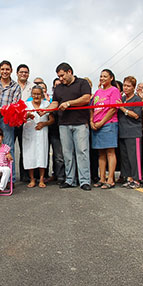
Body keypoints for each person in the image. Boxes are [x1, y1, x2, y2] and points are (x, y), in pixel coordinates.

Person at [46, 63, 92, 191]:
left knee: (82, 152)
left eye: (62, 75)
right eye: (59, 76)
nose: (60, 79)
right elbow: (55, 102)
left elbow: (86, 98)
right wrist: (45, 110)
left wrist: (69, 103)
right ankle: (70, 179)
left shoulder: (82, 83)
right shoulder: (59, 88)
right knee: (67, 153)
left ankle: (84, 181)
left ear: (69, 72)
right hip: (64, 124)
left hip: (80, 123)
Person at [90, 69, 121, 189]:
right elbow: (92, 108)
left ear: (111, 78)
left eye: (105, 76)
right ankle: (102, 178)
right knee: (101, 153)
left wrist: (102, 122)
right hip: (97, 125)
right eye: (101, 76)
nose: (102, 78)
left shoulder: (114, 90)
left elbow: (113, 108)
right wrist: (92, 121)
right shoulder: (97, 92)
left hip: (109, 124)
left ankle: (110, 179)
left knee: (110, 152)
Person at [23, 86, 54, 188]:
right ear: (31, 95)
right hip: (29, 131)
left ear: (42, 95)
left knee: (42, 154)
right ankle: (32, 179)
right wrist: (26, 116)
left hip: (42, 132)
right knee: (30, 155)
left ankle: (41, 179)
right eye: (34, 94)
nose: (36, 96)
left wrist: (44, 124)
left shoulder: (46, 104)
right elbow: (20, 120)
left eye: (38, 94)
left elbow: (52, 120)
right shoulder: (26, 105)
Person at [117, 76, 143, 189]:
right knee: (125, 157)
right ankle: (129, 178)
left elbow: (136, 115)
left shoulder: (137, 100)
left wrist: (123, 109)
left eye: (128, 86)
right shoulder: (122, 99)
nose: (126, 88)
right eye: (124, 85)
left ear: (133, 87)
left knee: (134, 157)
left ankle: (137, 179)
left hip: (134, 132)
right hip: (122, 132)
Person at [14, 64, 36, 182]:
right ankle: (10, 176)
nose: (23, 74)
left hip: (27, 121)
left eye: (26, 72)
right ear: (17, 73)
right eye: (21, 72)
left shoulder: (33, 87)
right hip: (13, 121)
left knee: (25, 149)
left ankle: (25, 175)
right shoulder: (12, 85)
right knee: (10, 148)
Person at [48, 78, 65, 184]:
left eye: (60, 84)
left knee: (66, 154)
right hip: (54, 130)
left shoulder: (66, 97)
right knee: (58, 155)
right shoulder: (50, 101)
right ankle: (59, 176)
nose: (58, 87)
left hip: (65, 127)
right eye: (56, 86)